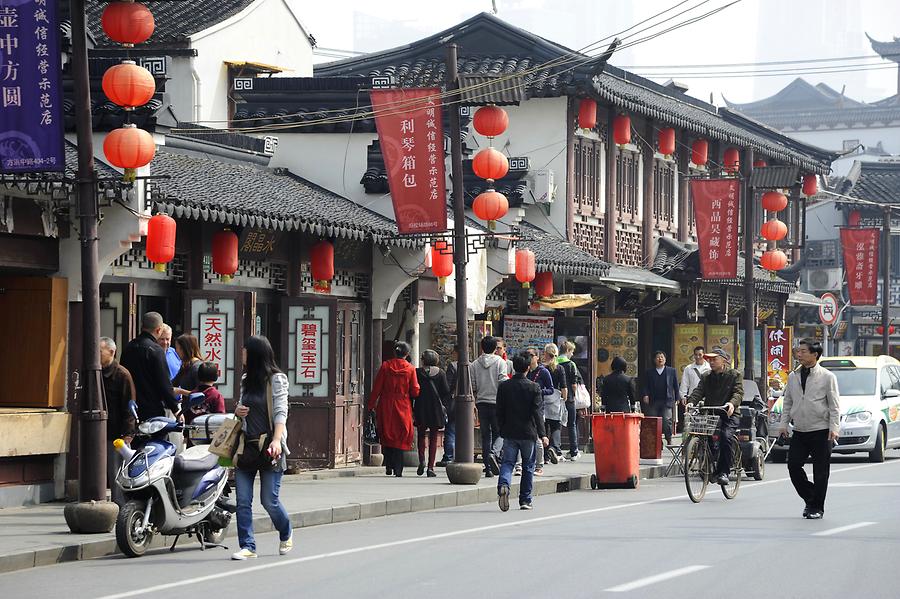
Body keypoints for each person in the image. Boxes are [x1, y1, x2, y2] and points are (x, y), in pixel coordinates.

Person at [231, 335, 292, 560]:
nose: (242, 354)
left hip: (269, 446)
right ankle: (248, 546)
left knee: (269, 501)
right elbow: (242, 404)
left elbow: (281, 412)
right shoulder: (246, 379)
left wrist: (277, 440)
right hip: (247, 445)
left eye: (245, 350)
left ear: (255, 354)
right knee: (243, 500)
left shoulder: (277, 379)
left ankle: (286, 531)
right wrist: (238, 410)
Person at [779, 339, 840, 520]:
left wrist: (834, 427)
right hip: (800, 430)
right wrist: (783, 424)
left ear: (815, 354)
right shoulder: (793, 376)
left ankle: (816, 507)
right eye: (799, 351)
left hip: (821, 430)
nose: (799, 355)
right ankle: (811, 496)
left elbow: (834, 405)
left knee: (821, 471)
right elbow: (788, 401)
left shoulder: (827, 377)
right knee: (793, 466)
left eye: (804, 351)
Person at [496, 354, 549, 511]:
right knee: (528, 466)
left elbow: (499, 411)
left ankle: (504, 484)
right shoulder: (534, 387)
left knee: (508, 463)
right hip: (528, 432)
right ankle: (525, 500)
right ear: (527, 368)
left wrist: (501, 428)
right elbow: (537, 413)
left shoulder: (504, 387)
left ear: (513, 368)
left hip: (510, 431)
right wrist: (543, 434)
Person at [686, 348, 744, 487]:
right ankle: (709, 465)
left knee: (725, 436)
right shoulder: (706, 376)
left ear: (723, 360)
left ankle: (724, 472)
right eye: (710, 360)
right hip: (711, 413)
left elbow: (738, 393)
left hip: (729, 414)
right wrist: (691, 402)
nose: (711, 362)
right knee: (703, 436)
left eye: (714, 359)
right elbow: (699, 391)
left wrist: (731, 403)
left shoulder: (734, 375)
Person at [369, 342, 420, 477]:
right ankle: (398, 469)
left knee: (387, 431)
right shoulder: (410, 369)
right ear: (407, 354)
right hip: (403, 404)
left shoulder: (386, 366)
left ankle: (389, 465)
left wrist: (370, 406)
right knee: (401, 434)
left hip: (386, 403)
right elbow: (415, 391)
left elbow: (377, 388)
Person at [120, 312, 181, 421]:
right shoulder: (156, 350)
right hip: (152, 411)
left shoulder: (128, 348)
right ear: (158, 330)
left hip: (129, 409)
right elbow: (164, 384)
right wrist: (176, 409)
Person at [100, 337, 136, 506]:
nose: (97, 355)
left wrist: (128, 434)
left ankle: (121, 509)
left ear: (112, 352)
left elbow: (129, 406)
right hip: (99, 431)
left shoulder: (122, 374)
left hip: (116, 433)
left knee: (117, 474)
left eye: (100, 352)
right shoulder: (96, 373)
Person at [469, 336, 508, 477]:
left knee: (486, 435)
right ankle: (494, 453)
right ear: (495, 348)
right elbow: (503, 381)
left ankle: (488, 467)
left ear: (481, 347)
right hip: (497, 402)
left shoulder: (474, 364)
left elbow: (473, 385)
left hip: (481, 403)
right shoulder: (500, 362)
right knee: (501, 432)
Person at [414, 350, 450, 477]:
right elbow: (445, 391)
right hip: (435, 409)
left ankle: (422, 460)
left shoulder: (417, 372)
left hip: (421, 407)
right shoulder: (441, 373)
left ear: (423, 360)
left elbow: (413, 390)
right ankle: (430, 467)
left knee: (421, 435)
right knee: (434, 438)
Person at [642, 350, 680, 445]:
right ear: (654, 360)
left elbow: (675, 385)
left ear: (665, 359)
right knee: (653, 421)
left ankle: (668, 437)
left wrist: (677, 397)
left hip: (666, 400)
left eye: (662, 357)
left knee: (666, 420)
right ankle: (657, 442)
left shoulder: (671, 371)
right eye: (658, 357)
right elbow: (645, 385)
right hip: (653, 400)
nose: (660, 359)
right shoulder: (649, 372)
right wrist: (645, 395)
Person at [526, 349, 554, 474]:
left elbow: (551, 389)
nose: (529, 358)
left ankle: (539, 465)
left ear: (537, 357)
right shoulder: (525, 371)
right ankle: (521, 465)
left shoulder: (543, 372)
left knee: (538, 436)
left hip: (538, 407)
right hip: (524, 406)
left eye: (531, 355)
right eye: (527, 355)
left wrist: (539, 391)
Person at [542, 343, 567, 463]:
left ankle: (545, 455)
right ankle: (554, 447)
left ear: (546, 354)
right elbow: (564, 387)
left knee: (544, 426)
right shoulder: (559, 368)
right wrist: (565, 398)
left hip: (543, 397)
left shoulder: (541, 368)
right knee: (556, 425)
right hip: (556, 398)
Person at [557, 341, 582, 460]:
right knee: (571, 424)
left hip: (556, 398)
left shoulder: (554, 362)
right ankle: (574, 451)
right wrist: (575, 394)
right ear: (567, 351)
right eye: (572, 351)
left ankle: (556, 449)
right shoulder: (571, 364)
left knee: (556, 424)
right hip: (570, 398)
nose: (572, 354)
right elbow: (574, 384)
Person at [679, 346, 711, 434]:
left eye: (700, 354)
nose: (698, 357)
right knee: (691, 421)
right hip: (693, 398)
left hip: (706, 398)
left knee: (706, 421)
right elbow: (684, 383)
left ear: (704, 355)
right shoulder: (688, 368)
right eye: (696, 355)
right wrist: (683, 396)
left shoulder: (710, 368)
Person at [437, 346, 459, 467]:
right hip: (467, 404)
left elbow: (448, 386)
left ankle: (449, 456)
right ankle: (459, 455)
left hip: (453, 402)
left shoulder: (453, 366)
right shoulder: (471, 365)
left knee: (450, 430)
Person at [172, 334, 203, 399]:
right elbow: (173, 383)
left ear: (184, 349)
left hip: (197, 408)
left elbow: (202, 394)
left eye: (177, 348)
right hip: (186, 407)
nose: (176, 351)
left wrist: (180, 391)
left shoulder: (197, 368)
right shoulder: (185, 366)